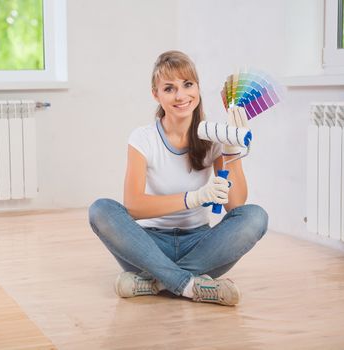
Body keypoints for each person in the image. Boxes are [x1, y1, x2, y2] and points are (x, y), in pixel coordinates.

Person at [88, 50, 268, 306]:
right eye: (169, 88)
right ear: (156, 94)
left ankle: (155, 281)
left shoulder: (213, 135)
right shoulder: (143, 138)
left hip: (201, 245)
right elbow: (135, 207)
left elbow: (235, 207)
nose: (181, 95)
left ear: (197, 87)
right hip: (148, 245)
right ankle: (190, 285)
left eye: (187, 84)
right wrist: (194, 198)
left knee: (256, 216)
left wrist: (230, 150)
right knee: (101, 209)